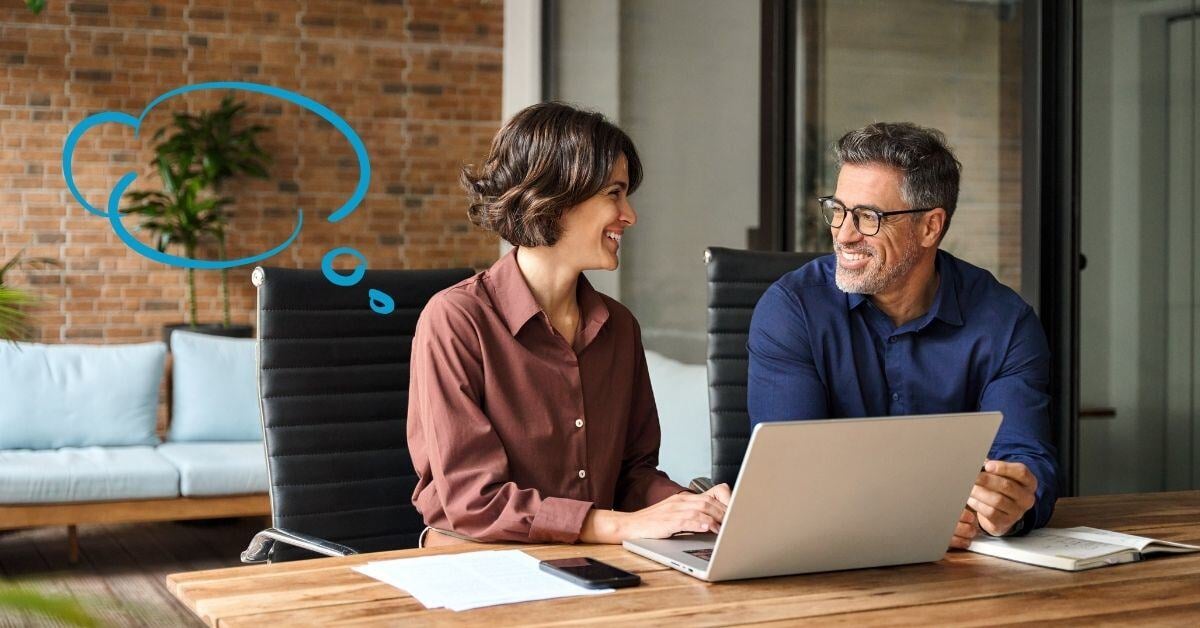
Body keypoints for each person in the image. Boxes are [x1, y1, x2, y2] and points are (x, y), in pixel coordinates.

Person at [408, 102, 731, 546]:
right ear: (557, 199)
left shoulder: (619, 327)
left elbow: (632, 476)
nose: (630, 215)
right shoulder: (456, 321)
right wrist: (619, 525)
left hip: (592, 558)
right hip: (479, 561)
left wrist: (696, 508)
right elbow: (474, 500)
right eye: (614, 194)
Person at [747, 122, 1057, 548]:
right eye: (837, 209)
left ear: (931, 227)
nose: (844, 233)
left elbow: (1026, 461)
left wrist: (1009, 506)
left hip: (963, 571)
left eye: (868, 217)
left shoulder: (1006, 322)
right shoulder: (792, 309)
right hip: (820, 564)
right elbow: (786, 473)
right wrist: (908, 515)